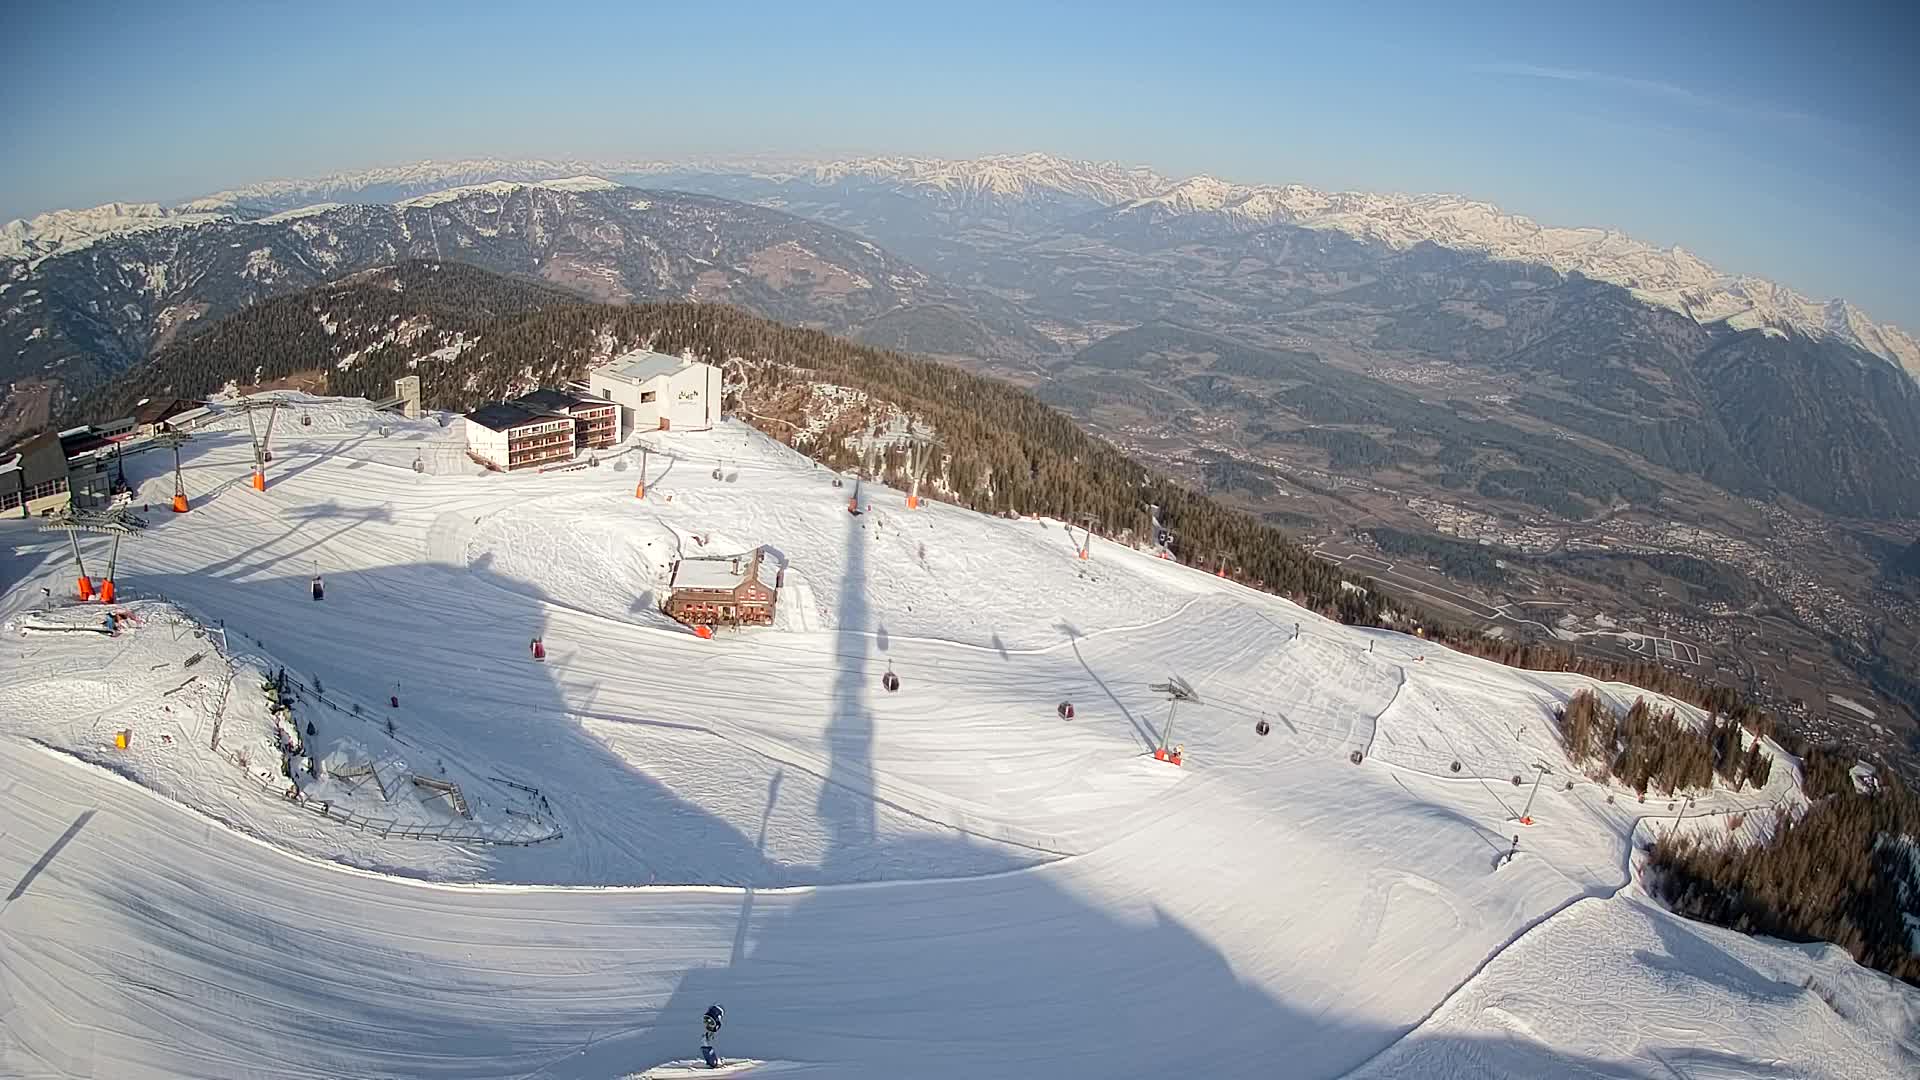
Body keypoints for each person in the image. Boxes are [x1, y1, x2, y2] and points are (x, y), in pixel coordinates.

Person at [700, 1003, 725, 1068]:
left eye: (710, 1022)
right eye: (706, 1020)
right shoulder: (707, 1034)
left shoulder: (718, 1032)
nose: (707, 1024)